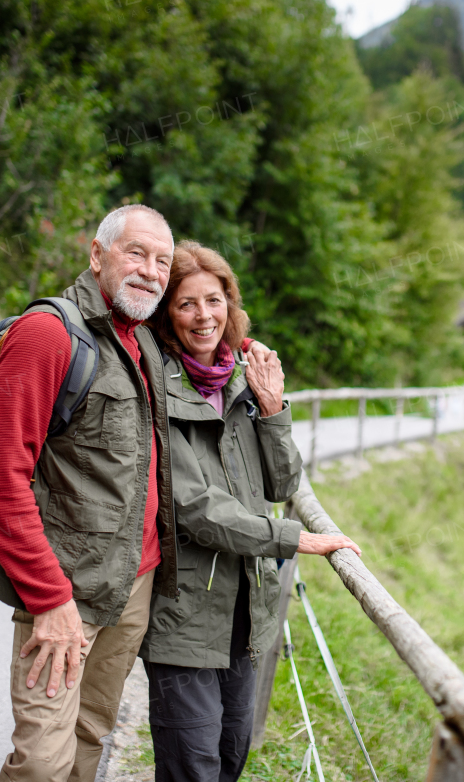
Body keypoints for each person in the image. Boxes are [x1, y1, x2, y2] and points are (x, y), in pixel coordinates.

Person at [0, 203, 180, 782]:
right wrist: (47, 600)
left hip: (133, 586)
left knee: (90, 736)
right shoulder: (49, 333)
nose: (151, 270)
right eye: (135, 252)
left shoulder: (141, 344)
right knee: (42, 763)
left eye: (162, 261)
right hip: (65, 592)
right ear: (96, 254)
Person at [140, 241, 360, 782]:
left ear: (230, 304)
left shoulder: (242, 379)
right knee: (194, 765)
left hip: (246, 612)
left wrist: (272, 408)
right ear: (168, 314)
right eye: (186, 303)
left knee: (232, 754)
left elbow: (283, 482)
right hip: (184, 613)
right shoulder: (156, 387)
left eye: (213, 300)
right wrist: (293, 538)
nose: (203, 316)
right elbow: (193, 506)